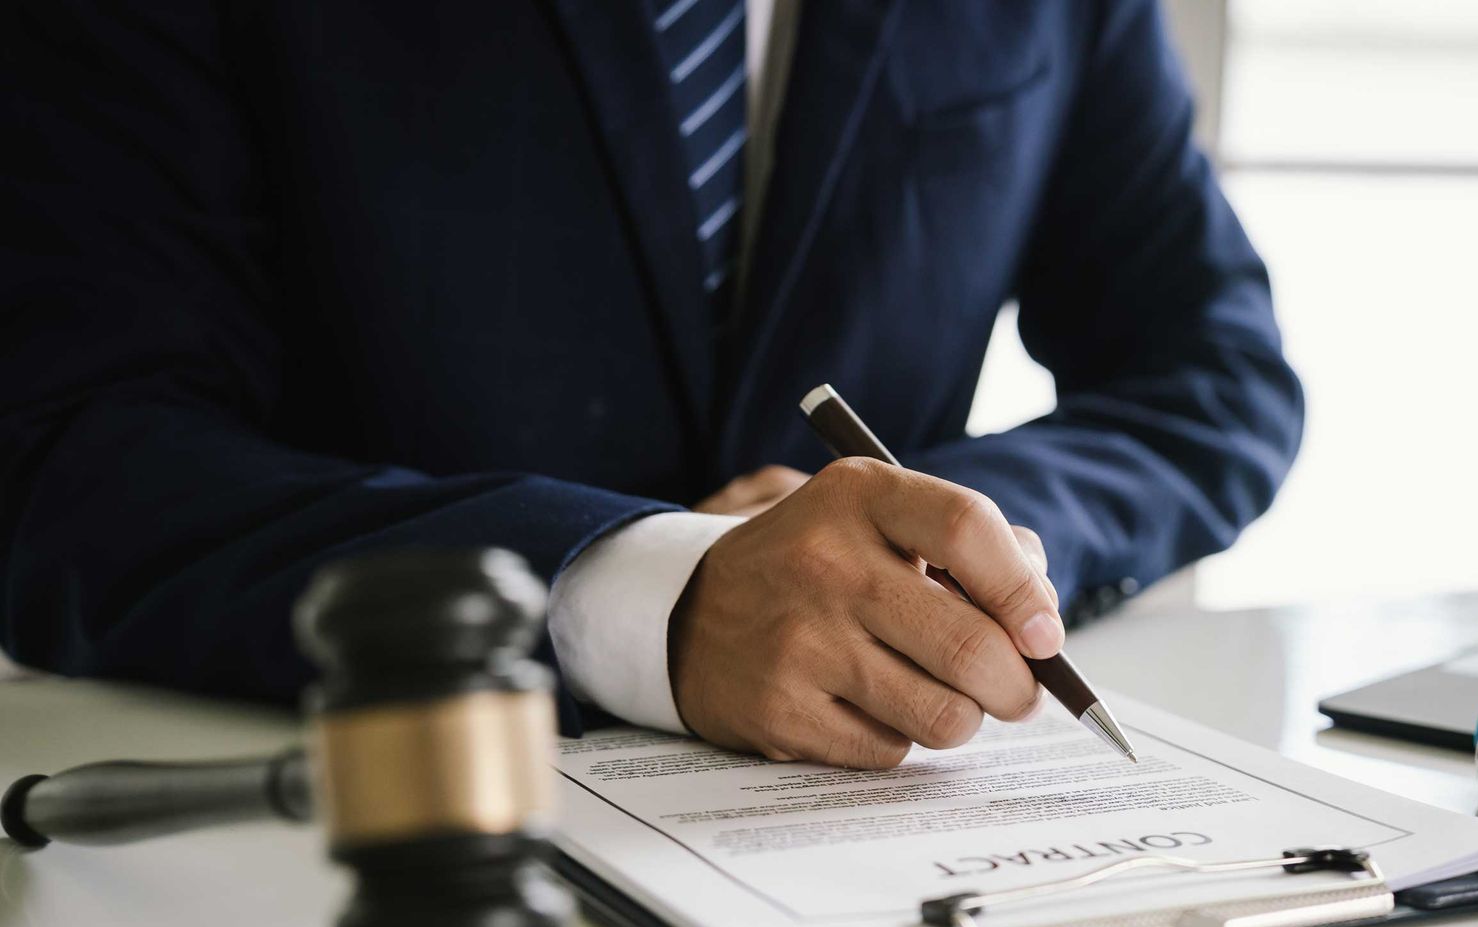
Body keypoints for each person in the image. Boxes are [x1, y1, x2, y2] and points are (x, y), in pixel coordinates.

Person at [0, 0, 1302, 768]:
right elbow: (68, 446)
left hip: (871, 882)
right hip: (338, 831)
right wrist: (650, 586)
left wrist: (969, 546)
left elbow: (1213, 372)